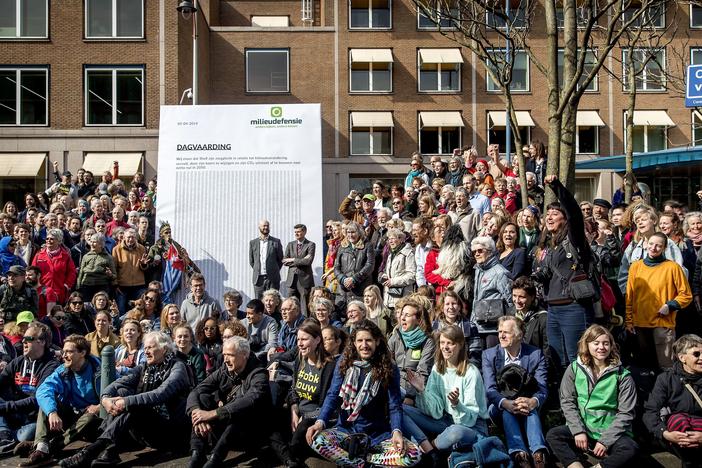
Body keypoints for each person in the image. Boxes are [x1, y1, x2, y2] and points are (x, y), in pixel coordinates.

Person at [59, 332, 194, 468]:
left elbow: (159, 394)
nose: (146, 351)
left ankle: (91, 451)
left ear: (164, 349)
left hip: (171, 432)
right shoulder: (145, 367)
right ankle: (109, 452)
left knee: (132, 404)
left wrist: (125, 401)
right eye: (145, 348)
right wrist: (105, 398)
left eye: (150, 348)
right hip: (149, 428)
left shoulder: (178, 367)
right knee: (122, 391)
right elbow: (118, 383)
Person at [306, 320, 421, 467]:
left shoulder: (388, 366)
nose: (364, 345)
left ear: (377, 341)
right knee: (318, 440)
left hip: (377, 434)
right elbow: (333, 395)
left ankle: (364, 459)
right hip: (346, 431)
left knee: (412, 454)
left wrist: (396, 431)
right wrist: (320, 422)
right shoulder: (345, 361)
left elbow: (394, 405)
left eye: (368, 340)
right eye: (360, 340)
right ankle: (363, 463)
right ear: (353, 342)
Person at [547, 325, 638, 468]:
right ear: (587, 345)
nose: (601, 347)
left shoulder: (623, 376)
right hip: (584, 430)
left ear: (611, 346)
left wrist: (606, 440)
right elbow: (567, 401)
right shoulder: (574, 369)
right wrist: (578, 430)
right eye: (596, 343)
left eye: (606, 343)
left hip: (611, 432)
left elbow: (626, 413)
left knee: (630, 448)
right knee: (553, 435)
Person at [533, 175, 596, 369]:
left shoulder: (573, 239)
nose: (549, 217)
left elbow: (574, 213)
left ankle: (582, 398)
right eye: (547, 214)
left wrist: (556, 186)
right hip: (553, 308)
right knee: (557, 359)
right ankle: (564, 399)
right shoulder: (548, 246)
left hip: (574, 307)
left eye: (554, 213)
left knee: (576, 358)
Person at [402, 325, 489, 463]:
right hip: (444, 421)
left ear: (460, 345)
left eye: (450, 343)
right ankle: (421, 447)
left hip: (470, 427)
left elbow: (470, 419)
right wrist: (422, 390)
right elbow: (435, 411)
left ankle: (429, 448)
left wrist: (457, 404)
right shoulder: (438, 368)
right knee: (402, 410)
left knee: (455, 432)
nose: (445, 347)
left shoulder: (471, 372)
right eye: (442, 343)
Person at [187, 336, 271, 468]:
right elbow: (197, 390)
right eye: (224, 354)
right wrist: (196, 413)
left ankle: (216, 457)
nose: (225, 360)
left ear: (244, 355)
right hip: (226, 429)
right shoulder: (224, 370)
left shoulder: (258, 374)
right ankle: (197, 451)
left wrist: (213, 413)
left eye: (230, 355)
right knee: (202, 397)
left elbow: (250, 399)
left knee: (240, 410)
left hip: (251, 432)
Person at [21, 335, 101, 467]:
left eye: (69, 352)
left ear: (82, 353)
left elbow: (115, 393)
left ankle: (50, 446)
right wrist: (52, 412)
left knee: (90, 417)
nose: (64, 355)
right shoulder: (63, 370)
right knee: (47, 404)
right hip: (72, 416)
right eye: (64, 351)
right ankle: (41, 447)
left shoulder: (99, 369)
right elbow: (43, 390)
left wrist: (99, 406)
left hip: (92, 421)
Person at [482, 316, 548, 468]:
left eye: (507, 332)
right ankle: (520, 453)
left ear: (519, 335)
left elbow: (542, 388)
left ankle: (538, 455)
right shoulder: (489, 355)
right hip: (499, 406)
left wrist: (533, 401)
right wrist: (506, 403)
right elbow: (490, 389)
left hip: (527, 406)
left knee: (529, 409)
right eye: (499, 331)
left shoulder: (535, 355)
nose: (501, 336)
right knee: (507, 411)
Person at [270, 320, 335, 468]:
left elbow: (329, 404)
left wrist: (305, 417)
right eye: (298, 339)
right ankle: (291, 459)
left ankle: (289, 456)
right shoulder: (300, 359)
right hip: (298, 413)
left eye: (304, 339)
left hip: (315, 418)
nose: (299, 343)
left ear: (317, 340)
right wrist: (294, 410)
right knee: (271, 419)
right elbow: (293, 388)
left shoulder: (329, 366)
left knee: (300, 432)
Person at [625, 232, 692, 370]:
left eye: (658, 245)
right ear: (646, 244)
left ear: (665, 248)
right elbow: (629, 297)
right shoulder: (635, 267)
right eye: (651, 244)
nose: (653, 248)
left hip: (663, 323)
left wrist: (670, 305)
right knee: (645, 366)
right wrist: (629, 320)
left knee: (666, 366)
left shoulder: (672, 267)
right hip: (640, 323)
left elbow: (686, 295)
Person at [643, 334, 702, 467]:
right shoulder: (666, 379)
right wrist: (665, 433)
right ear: (682, 358)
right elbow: (650, 411)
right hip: (678, 433)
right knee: (678, 420)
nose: (701, 358)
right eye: (696, 354)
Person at [0, 322, 59, 453]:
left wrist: (5, 407)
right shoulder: (18, 362)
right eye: (23, 338)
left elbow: (36, 400)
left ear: (42, 342)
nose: (24, 342)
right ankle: (5, 434)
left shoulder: (51, 366)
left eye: (29, 339)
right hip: (14, 412)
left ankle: (8, 434)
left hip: (33, 417)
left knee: (25, 436)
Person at [388, 297, 436, 405]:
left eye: (407, 315)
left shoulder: (428, 341)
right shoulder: (396, 337)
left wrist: (411, 396)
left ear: (418, 320)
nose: (402, 318)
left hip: (414, 391)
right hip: (395, 386)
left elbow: (423, 372)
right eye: (402, 314)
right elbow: (386, 362)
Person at [471, 236, 513, 341]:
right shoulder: (478, 270)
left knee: (493, 356)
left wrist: (509, 325)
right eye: (474, 251)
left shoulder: (500, 273)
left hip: (494, 328)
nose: (476, 254)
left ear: (490, 251)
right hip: (478, 325)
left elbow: (510, 300)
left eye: (480, 250)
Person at [432, 290, 482, 367]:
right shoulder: (434, 327)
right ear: (442, 308)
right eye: (447, 304)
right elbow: (431, 352)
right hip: (440, 367)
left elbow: (475, 353)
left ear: (459, 307)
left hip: (463, 367)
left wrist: (468, 369)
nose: (451, 307)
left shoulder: (469, 326)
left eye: (454, 303)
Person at [31, 229, 76, 307]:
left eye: (52, 239)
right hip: (41, 292)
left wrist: (66, 285)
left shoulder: (65, 256)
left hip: (58, 293)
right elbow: (32, 272)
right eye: (47, 238)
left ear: (59, 241)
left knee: (55, 316)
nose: (48, 240)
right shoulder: (39, 255)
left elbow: (72, 272)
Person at [334, 221, 374, 306]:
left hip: (360, 289)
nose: (350, 235)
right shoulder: (342, 247)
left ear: (359, 233)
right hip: (344, 290)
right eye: (348, 232)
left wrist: (354, 279)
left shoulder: (367, 245)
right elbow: (336, 267)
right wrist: (343, 279)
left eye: (353, 232)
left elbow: (370, 265)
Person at [112, 228, 148, 315]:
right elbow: (114, 268)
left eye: (133, 237)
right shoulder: (116, 249)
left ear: (136, 238)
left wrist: (143, 265)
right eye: (128, 237)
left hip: (138, 285)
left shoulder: (142, 248)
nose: (130, 239)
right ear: (124, 237)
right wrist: (115, 284)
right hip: (122, 285)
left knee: (139, 310)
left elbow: (144, 268)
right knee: (121, 309)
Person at [284, 224, 316, 316]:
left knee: (305, 305)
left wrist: (293, 259)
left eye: (298, 232)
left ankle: (306, 325)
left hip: (305, 279)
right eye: (295, 232)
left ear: (304, 232)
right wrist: (302, 260)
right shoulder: (290, 244)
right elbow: (285, 260)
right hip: (291, 279)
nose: (296, 234)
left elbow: (308, 262)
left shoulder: (311, 245)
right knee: (290, 304)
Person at [380, 228, 416, 311]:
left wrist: (393, 281)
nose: (390, 241)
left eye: (393, 238)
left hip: (402, 298)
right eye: (389, 239)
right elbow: (389, 272)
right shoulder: (390, 254)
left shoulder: (408, 254)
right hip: (388, 298)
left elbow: (411, 276)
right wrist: (384, 276)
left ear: (401, 239)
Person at [249, 219, 284, 299]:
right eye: (264, 226)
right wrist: (258, 269)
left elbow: (280, 259)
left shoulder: (276, 242)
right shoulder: (253, 243)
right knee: (259, 303)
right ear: (259, 227)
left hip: (272, 278)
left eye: (267, 226)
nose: (266, 227)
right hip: (258, 279)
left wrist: (273, 269)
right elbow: (252, 261)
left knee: (273, 301)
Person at [76, 233, 116, 301]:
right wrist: (78, 286)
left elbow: (114, 275)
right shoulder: (86, 256)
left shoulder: (108, 257)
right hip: (86, 285)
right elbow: (81, 273)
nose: (91, 244)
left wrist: (110, 274)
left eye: (94, 242)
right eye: (91, 242)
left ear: (101, 244)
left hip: (101, 285)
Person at [412, 217, 433, 288]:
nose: (413, 233)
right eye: (413, 230)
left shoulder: (434, 247)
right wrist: (422, 287)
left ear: (425, 231)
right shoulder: (418, 248)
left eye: (415, 230)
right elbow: (420, 269)